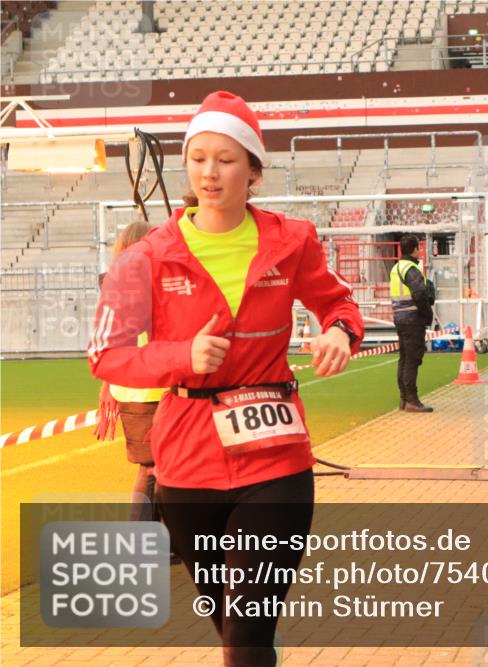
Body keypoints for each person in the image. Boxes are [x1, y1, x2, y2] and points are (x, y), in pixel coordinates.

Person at [88, 90, 363, 667]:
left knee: (248, 630)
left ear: (254, 170)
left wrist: (340, 332)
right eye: (198, 158)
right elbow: (105, 357)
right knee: (229, 618)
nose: (210, 173)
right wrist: (179, 356)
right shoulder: (147, 257)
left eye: (227, 159)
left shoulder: (294, 241)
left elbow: (338, 305)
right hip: (186, 464)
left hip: (277, 458)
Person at [94, 220, 164, 523]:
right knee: (156, 468)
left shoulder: (114, 282)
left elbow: (110, 339)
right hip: (153, 387)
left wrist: (108, 386)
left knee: (153, 467)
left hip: (130, 389)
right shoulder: (147, 282)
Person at [390, 233, 434, 412]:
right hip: (412, 320)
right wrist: (427, 314)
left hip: (401, 319)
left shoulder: (397, 267)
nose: (420, 250)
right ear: (415, 249)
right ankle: (412, 400)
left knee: (404, 359)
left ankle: (404, 399)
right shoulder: (411, 268)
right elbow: (420, 294)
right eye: (419, 247)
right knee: (412, 361)